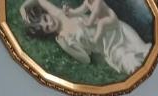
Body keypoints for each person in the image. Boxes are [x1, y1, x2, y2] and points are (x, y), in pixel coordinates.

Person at [20, 0, 151, 76]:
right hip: (109, 48)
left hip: (115, 28)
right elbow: (85, 59)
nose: (50, 23)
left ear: (46, 14)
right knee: (131, 63)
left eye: (46, 19)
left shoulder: (59, 14)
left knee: (146, 51)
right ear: (48, 33)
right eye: (47, 27)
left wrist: (23, 9)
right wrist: (66, 46)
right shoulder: (64, 39)